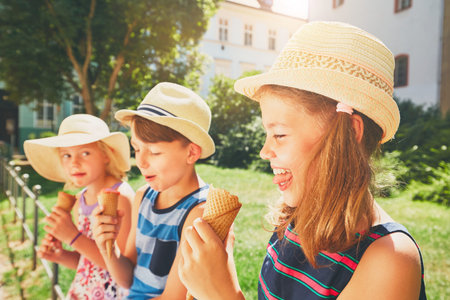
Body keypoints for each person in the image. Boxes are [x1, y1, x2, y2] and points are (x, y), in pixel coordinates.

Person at [178, 21, 427, 300]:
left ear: (351, 133)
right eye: (267, 134)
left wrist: (222, 293)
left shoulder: (390, 261)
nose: (265, 150)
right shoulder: (295, 223)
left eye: (280, 134)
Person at [92, 82, 215, 299]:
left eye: (155, 152)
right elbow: (127, 278)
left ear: (191, 152)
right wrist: (107, 248)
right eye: (136, 148)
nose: (141, 161)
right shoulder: (143, 197)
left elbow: (173, 297)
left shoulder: (200, 212)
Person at [24, 114, 135, 299]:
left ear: (106, 155)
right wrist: (60, 256)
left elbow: (121, 267)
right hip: (82, 292)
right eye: (66, 155)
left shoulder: (119, 197)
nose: (74, 163)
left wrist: (72, 236)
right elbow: (88, 262)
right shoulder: (79, 200)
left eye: (85, 153)